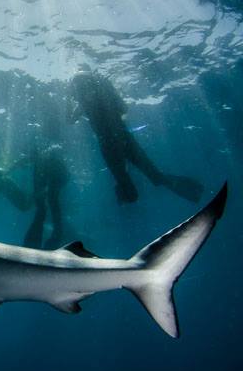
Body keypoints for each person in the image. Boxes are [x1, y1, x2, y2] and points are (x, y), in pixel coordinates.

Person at [69, 70, 203, 203]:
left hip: (109, 144)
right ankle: (192, 189)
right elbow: (124, 108)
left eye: (81, 86)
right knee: (153, 177)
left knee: (130, 185)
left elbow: (71, 119)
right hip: (124, 139)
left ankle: (190, 190)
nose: (82, 90)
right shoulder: (99, 96)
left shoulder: (87, 102)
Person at [13, 141, 68, 249]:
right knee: (44, 206)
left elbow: (61, 177)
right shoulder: (39, 160)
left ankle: (55, 236)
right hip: (53, 176)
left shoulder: (48, 160)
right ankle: (51, 236)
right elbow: (23, 161)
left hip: (58, 176)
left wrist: (48, 190)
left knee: (50, 203)